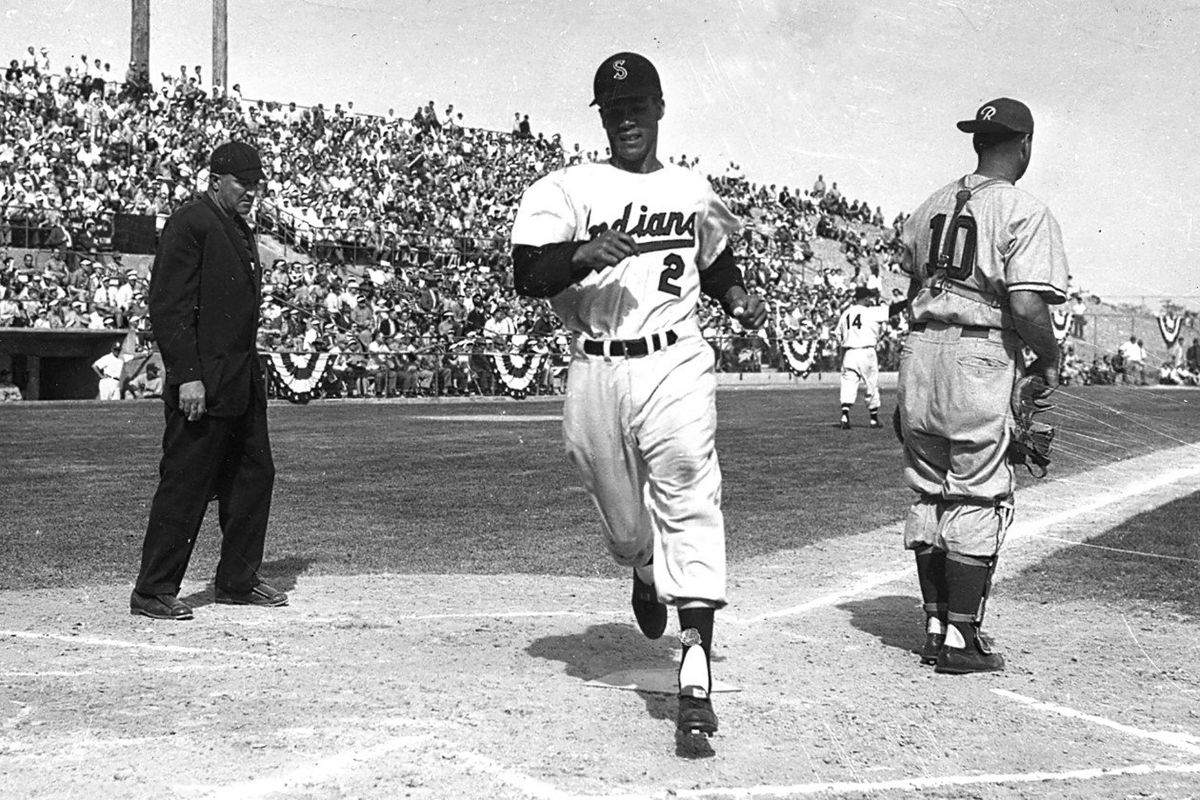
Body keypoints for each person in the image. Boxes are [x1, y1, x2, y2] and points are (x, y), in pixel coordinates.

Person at [510, 51, 766, 738]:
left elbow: (715, 260)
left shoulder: (691, 187)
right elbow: (527, 271)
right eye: (614, 110)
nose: (627, 118)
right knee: (626, 527)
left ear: (658, 109)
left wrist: (735, 295)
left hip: (675, 361)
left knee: (688, 486)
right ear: (602, 117)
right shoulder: (568, 187)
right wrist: (582, 255)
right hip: (596, 366)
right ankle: (645, 569)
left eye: (636, 106)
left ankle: (695, 663)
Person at [896, 98, 1066, 674]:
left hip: (920, 348)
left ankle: (935, 624)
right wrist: (1049, 355)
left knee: (927, 486)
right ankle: (962, 640)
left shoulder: (930, 203)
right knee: (976, 486)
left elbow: (910, 276)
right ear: (1023, 145)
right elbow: (1024, 301)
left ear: (977, 141)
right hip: (978, 352)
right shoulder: (1024, 208)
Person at [132, 141, 286, 621]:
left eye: (255, 186)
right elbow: (169, 306)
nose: (250, 193)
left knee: (254, 477)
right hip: (203, 382)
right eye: (242, 184)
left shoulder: (236, 226)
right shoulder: (191, 222)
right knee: (187, 482)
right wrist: (187, 377)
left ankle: (237, 581)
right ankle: (154, 589)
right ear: (215, 179)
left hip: (239, 379)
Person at [835, 286, 889, 429]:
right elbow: (892, 311)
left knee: (848, 384)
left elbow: (837, 334)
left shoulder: (846, 313)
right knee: (871, 384)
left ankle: (845, 415)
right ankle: (873, 419)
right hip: (866, 351)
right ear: (865, 298)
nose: (871, 300)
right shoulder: (870, 312)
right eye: (869, 297)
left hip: (850, 352)